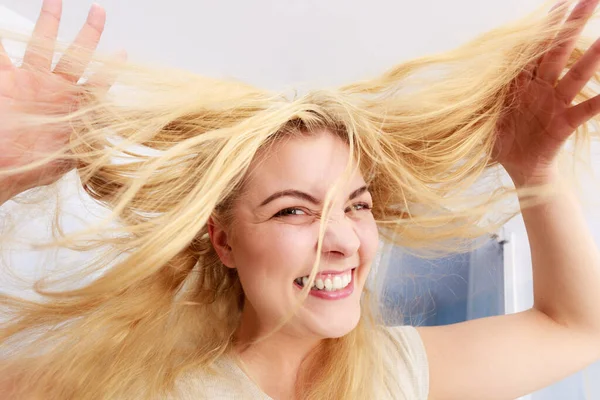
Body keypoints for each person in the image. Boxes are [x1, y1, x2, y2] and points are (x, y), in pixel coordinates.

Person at [1, 0, 600, 399]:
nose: (342, 240)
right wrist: (7, 174)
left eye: (356, 204)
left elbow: (577, 328)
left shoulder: (393, 372)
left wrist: (533, 169)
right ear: (225, 240)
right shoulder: (146, 387)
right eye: (294, 210)